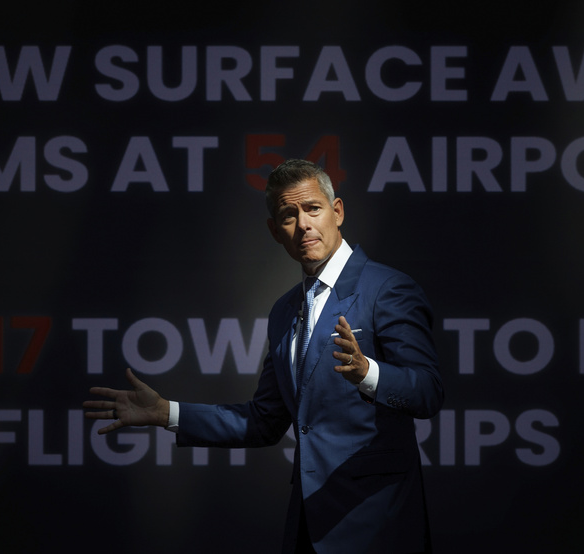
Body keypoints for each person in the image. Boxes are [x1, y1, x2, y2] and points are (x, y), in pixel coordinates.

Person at [84, 159, 443, 553]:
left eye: (313, 209)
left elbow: (427, 391)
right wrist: (167, 412)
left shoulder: (387, 288)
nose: (303, 224)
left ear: (337, 212)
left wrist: (368, 374)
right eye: (289, 215)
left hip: (378, 526)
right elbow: (263, 421)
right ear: (275, 231)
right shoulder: (285, 311)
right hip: (308, 526)